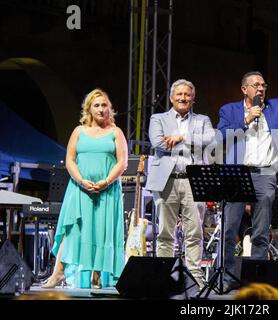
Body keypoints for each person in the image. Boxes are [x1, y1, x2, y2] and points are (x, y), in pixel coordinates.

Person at [217, 71, 278, 292]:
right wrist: (246, 119)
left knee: (261, 231)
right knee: (230, 229)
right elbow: (220, 136)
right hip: (237, 173)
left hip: (266, 173)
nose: (261, 89)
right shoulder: (229, 110)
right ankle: (228, 277)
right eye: (256, 85)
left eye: (263, 85)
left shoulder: (274, 106)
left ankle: (256, 280)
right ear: (244, 89)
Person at [42, 88, 128, 289]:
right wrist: (81, 181)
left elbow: (122, 163)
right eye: (96, 105)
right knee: (72, 229)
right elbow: (70, 160)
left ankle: (97, 276)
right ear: (89, 108)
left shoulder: (116, 132)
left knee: (101, 230)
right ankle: (58, 274)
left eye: (104, 105)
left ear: (110, 108)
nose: (100, 109)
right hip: (79, 189)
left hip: (106, 191)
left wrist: (106, 182)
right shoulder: (78, 131)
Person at [145, 79, 216, 290]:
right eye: (179, 95)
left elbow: (211, 139)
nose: (183, 98)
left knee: (195, 232)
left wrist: (180, 137)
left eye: (187, 95)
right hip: (166, 181)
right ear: (171, 98)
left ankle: (194, 276)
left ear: (193, 98)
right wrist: (190, 142)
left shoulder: (202, 119)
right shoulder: (158, 118)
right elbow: (157, 142)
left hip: (193, 181)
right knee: (165, 233)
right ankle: (165, 276)